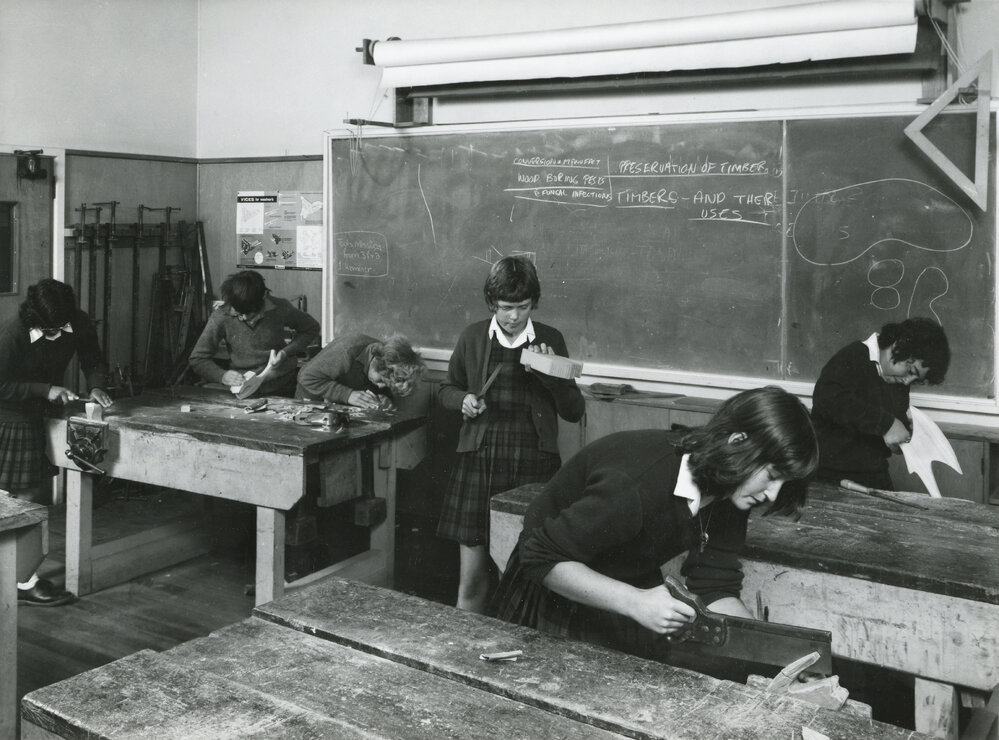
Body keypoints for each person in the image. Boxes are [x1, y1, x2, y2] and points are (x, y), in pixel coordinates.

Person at [491, 386, 818, 662]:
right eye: (772, 476)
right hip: (555, 582)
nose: (773, 495)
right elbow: (538, 556)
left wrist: (772, 658)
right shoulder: (635, 484)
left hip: (626, 580)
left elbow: (715, 586)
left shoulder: (732, 490)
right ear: (737, 442)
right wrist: (634, 601)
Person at [438, 256, 584, 614]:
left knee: (523, 579)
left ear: (533, 302)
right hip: (480, 459)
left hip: (533, 462)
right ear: (492, 303)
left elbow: (573, 411)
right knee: (472, 580)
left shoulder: (550, 339)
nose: (514, 316)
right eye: (505, 308)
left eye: (522, 307)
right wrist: (464, 401)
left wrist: (553, 377)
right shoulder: (473, 336)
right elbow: (446, 389)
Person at [0, 278, 113, 606]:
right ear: (33, 316)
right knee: (25, 499)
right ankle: (22, 581)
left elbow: (92, 358)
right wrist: (42, 389)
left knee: (32, 497)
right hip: (9, 416)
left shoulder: (76, 321)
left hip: (40, 412)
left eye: (60, 327)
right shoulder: (13, 334)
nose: (56, 333)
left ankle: (19, 576)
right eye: (49, 329)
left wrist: (96, 385)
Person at [811, 317, 949, 491]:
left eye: (916, 379)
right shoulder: (853, 356)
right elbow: (827, 398)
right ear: (899, 346)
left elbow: (890, 426)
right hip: (830, 474)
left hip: (872, 473)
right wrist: (886, 424)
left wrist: (907, 437)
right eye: (911, 371)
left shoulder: (898, 382)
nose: (908, 381)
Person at [189, 271, 320, 398]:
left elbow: (311, 328)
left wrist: (286, 352)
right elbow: (197, 359)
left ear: (263, 298)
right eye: (239, 314)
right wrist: (222, 376)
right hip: (245, 387)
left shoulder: (280, 307)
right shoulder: (222, 316)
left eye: (250, 313)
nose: (244, 318)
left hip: (282, 385)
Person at [296, 333, 425, 409]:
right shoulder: (346, 353)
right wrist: (348, 395)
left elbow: (383, 382)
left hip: (337, 407)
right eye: (381, 381)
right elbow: (305, 376)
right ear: (376, 363)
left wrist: (385, 398)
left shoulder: (388, 359)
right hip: (310, 403)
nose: (380, 386)